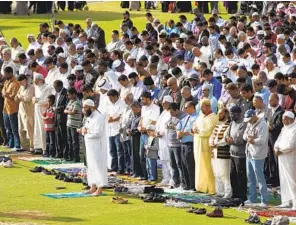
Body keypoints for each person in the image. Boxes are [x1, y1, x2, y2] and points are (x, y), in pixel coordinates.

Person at [78, 99, 108, 196]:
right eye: (83, 107)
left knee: (98, 167)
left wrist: (87, 133)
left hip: (98, 146)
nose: (83, 109)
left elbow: (98, 133)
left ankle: (100, 188)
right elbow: (85, 129)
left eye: (85, 107)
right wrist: (83, 131)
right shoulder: (89, 117)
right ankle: (93, 186)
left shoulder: (98, 117)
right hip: (90, 146)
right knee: (91, 166)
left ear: (92, 107)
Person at [243, 109, 269, 207]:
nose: (248, 121)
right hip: (249, 153)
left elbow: (262, 139)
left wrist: (253, 140)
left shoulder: (262, 124)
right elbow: (244, 135)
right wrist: (248, 138)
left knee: (260, 178)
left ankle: (264, 200)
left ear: (254, 116)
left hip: (258, 155)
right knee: (250, 177)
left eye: (250, 119)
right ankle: (252, 198)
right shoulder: (250, 123)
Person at [192, 99, 219, 194]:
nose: (201, 109)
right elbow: (194, 125)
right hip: (197, 144)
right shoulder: (200, 116)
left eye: (203, 107)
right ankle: (200, 187)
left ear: (208, 106)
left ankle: (210, 188)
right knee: (199, 165)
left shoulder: (213, 117)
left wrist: (198, 131)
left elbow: (208, 131)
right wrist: (194, 129)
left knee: (208, 166)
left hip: (207, 145)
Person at [274, 111, 296, 209]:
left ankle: (294, 202)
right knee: (283, 178)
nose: (284, 121)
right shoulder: (284, 129)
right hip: (281, 157)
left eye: (285, 119)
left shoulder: (294, 129)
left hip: (290, 157)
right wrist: (276, 149)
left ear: (291, 119)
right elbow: (278, 141)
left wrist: (281, 151)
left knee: (292, 179)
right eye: (283, 119)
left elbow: (291, 145)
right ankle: (286, 201)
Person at [226, 105, 248, 202]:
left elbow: (240, 139)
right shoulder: (231, 123)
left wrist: (231, 140)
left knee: (241, 176)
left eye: (232, 114)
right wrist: (228, 139)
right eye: (230, 113)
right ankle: (235, 194)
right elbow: (227, 134)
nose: (230, 115)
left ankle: (242, 196)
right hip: (232, 153)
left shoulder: (244, 124)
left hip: (241, 154)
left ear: (238, 114)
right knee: (232, 174)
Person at [209, 107, 232, 198]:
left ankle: (227, 192)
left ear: (226, 114)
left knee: (225, 174)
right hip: (214, 152)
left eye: (221, 113)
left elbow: (226, 139)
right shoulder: (218, 125)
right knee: (217, 173)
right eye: (218, 113)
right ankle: (220, 191)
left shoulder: (229, 125)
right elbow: (211, 136)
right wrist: (211, 142)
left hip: (223, 152)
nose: (219, 115)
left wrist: (217, 143)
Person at [138, 91, 160, 180]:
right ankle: (145, 175)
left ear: (148, 98)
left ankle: (152, 177)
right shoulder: (143, 108)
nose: (142, 101)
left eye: (143, 99)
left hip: (150, 133)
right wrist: (139, 126)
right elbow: (142, 119)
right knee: (142, 155)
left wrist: (144, 128)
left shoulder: (155, 108)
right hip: (142, 133)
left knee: (150, 156)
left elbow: (153, 121)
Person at [176, 101, 198, 190]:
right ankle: (186, 184)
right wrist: (178, 132)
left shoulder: (197, 117)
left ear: (192, 107)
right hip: (183, 143)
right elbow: (179, 126)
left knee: (191, 165)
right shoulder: (186, 118)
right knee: (184, 164)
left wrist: (183, 133)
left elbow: (192, 129)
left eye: (186, 107)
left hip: (191, 143)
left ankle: (193, 185)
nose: (185, 109)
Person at [265, 93, 284, 190]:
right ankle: (273, 180)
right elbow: (265, 121)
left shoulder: (281, 111)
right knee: (270, 159)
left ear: (277, 100)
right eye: (269, 100)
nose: (270, 102)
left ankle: (280, 181)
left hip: (276, 139)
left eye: (272, 100)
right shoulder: (268, 111)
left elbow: (279, 125)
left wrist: (270, 127)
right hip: (268, 139)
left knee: (277, 161)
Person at [106, 89, 127, 174]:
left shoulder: (122, 104)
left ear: (116, 96)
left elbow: (122, 116)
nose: (110, 100)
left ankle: (121, 168)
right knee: (112, 150)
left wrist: (112, 120)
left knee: (120, 151)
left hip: (118, 130)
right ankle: (114, 167)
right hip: (110, 130)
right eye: (109, 98)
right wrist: (109, 119)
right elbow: (107, 114)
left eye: (111, 98)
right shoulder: (109, 104)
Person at [167, 102, 186, 188]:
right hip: (170, 143)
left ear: (177, 110)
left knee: (179, 165)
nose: (171, 114)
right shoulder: (172, 116)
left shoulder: (184, 116)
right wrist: (169, 125)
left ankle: (182, 182)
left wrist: (174, 126)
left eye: (172, 112)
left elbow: (183, 128)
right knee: (173, 164)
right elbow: (167, 123)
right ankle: (175, 182)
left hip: (178, 144)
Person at [33, 74, 53, 154]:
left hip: (43, 110)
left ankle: (45, 148)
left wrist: (37, 101)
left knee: (43, 128)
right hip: (37, 109)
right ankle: (38, 147)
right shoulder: (36, 87)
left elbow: (47, 101)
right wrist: (34, 99)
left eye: (37, 80)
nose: (35, 82)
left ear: (41, 80)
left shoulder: (47, 88)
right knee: (37, 128)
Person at [2, 66, 21, 151]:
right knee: (7, 128)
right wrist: (5, 93)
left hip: (13, 109)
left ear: (10, 73)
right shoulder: (6, 81)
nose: (5, 75)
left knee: (14, 128)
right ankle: (10, 143)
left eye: (6, 74)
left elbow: (14, 96)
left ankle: (17, 145)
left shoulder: (16, 83)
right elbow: (3, 91)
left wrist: (6, 95)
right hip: (5, 108)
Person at [155, 95, 173, 186]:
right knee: (163, 159)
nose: (163, 104)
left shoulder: (171, 113)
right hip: (161, 139)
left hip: (168, 140)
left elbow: (169, 126)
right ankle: (165, 178)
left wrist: (162, 132)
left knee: (169, 160)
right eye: (162, 103)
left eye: (165, 103)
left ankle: (172, 179)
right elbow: (158, 125)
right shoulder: (163, 113)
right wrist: (157, 132)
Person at [15, 75, 35, 152]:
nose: (20, 83)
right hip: (21, 111)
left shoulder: (31, 87)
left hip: (28, 112)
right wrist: (20, 96)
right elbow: (16, 98)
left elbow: (27, 98)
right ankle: (24, 146)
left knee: (29, 129)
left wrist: (20, 96)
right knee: (21, 129)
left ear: (26, 80)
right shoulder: (21, 87)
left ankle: (32, 147)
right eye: (19, 82)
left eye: (21, 81)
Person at [64, 87, 82, 162]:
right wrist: (69, 111)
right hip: (69, 124)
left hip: (75, 125)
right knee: (69, 141)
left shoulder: (77, 102)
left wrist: (69, 111)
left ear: (74, 94)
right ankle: (70, 156)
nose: (68, 97)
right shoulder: (70, 101)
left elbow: (73, 112)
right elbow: (65, 110)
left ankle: (76, 157)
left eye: (69, 95)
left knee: (75, 142)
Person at [53, 80, 68, 159]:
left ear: (60, 86)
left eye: (56, 87)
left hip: (63, 118)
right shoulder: (56, 93)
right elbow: (55, 103)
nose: (55, 89)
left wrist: (57, 108)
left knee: (64, 137)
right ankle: (59, 153)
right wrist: (53, 107)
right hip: (56, 118)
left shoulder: (66, 93)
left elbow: (66, 105)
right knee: (57, 136)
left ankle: (65, 154)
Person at [127, 101, 143, 178]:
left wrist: (132, 131)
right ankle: (134, 171)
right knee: (132, 155)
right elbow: (129, 125)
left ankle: (139, 172)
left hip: (138, 137)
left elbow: (140, 127)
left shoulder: (142, 116)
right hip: (132, 137)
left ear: (138, 108)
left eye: (134, 109)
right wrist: (128, 130)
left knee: (137, 155)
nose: (133, 111)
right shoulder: (133, 116)